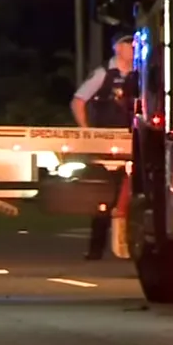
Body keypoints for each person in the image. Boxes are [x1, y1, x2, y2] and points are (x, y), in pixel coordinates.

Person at [71, 34, 136, 260]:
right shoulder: (103, 74)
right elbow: (78, 100)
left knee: (130, 196)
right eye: (128, 44)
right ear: (117, 47)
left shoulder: (140, 74)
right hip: (106, 145)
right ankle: (95, 250)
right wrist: (87, 132)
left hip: (134, 141)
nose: (133, 49)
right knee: (104, 198)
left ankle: (127, 246)